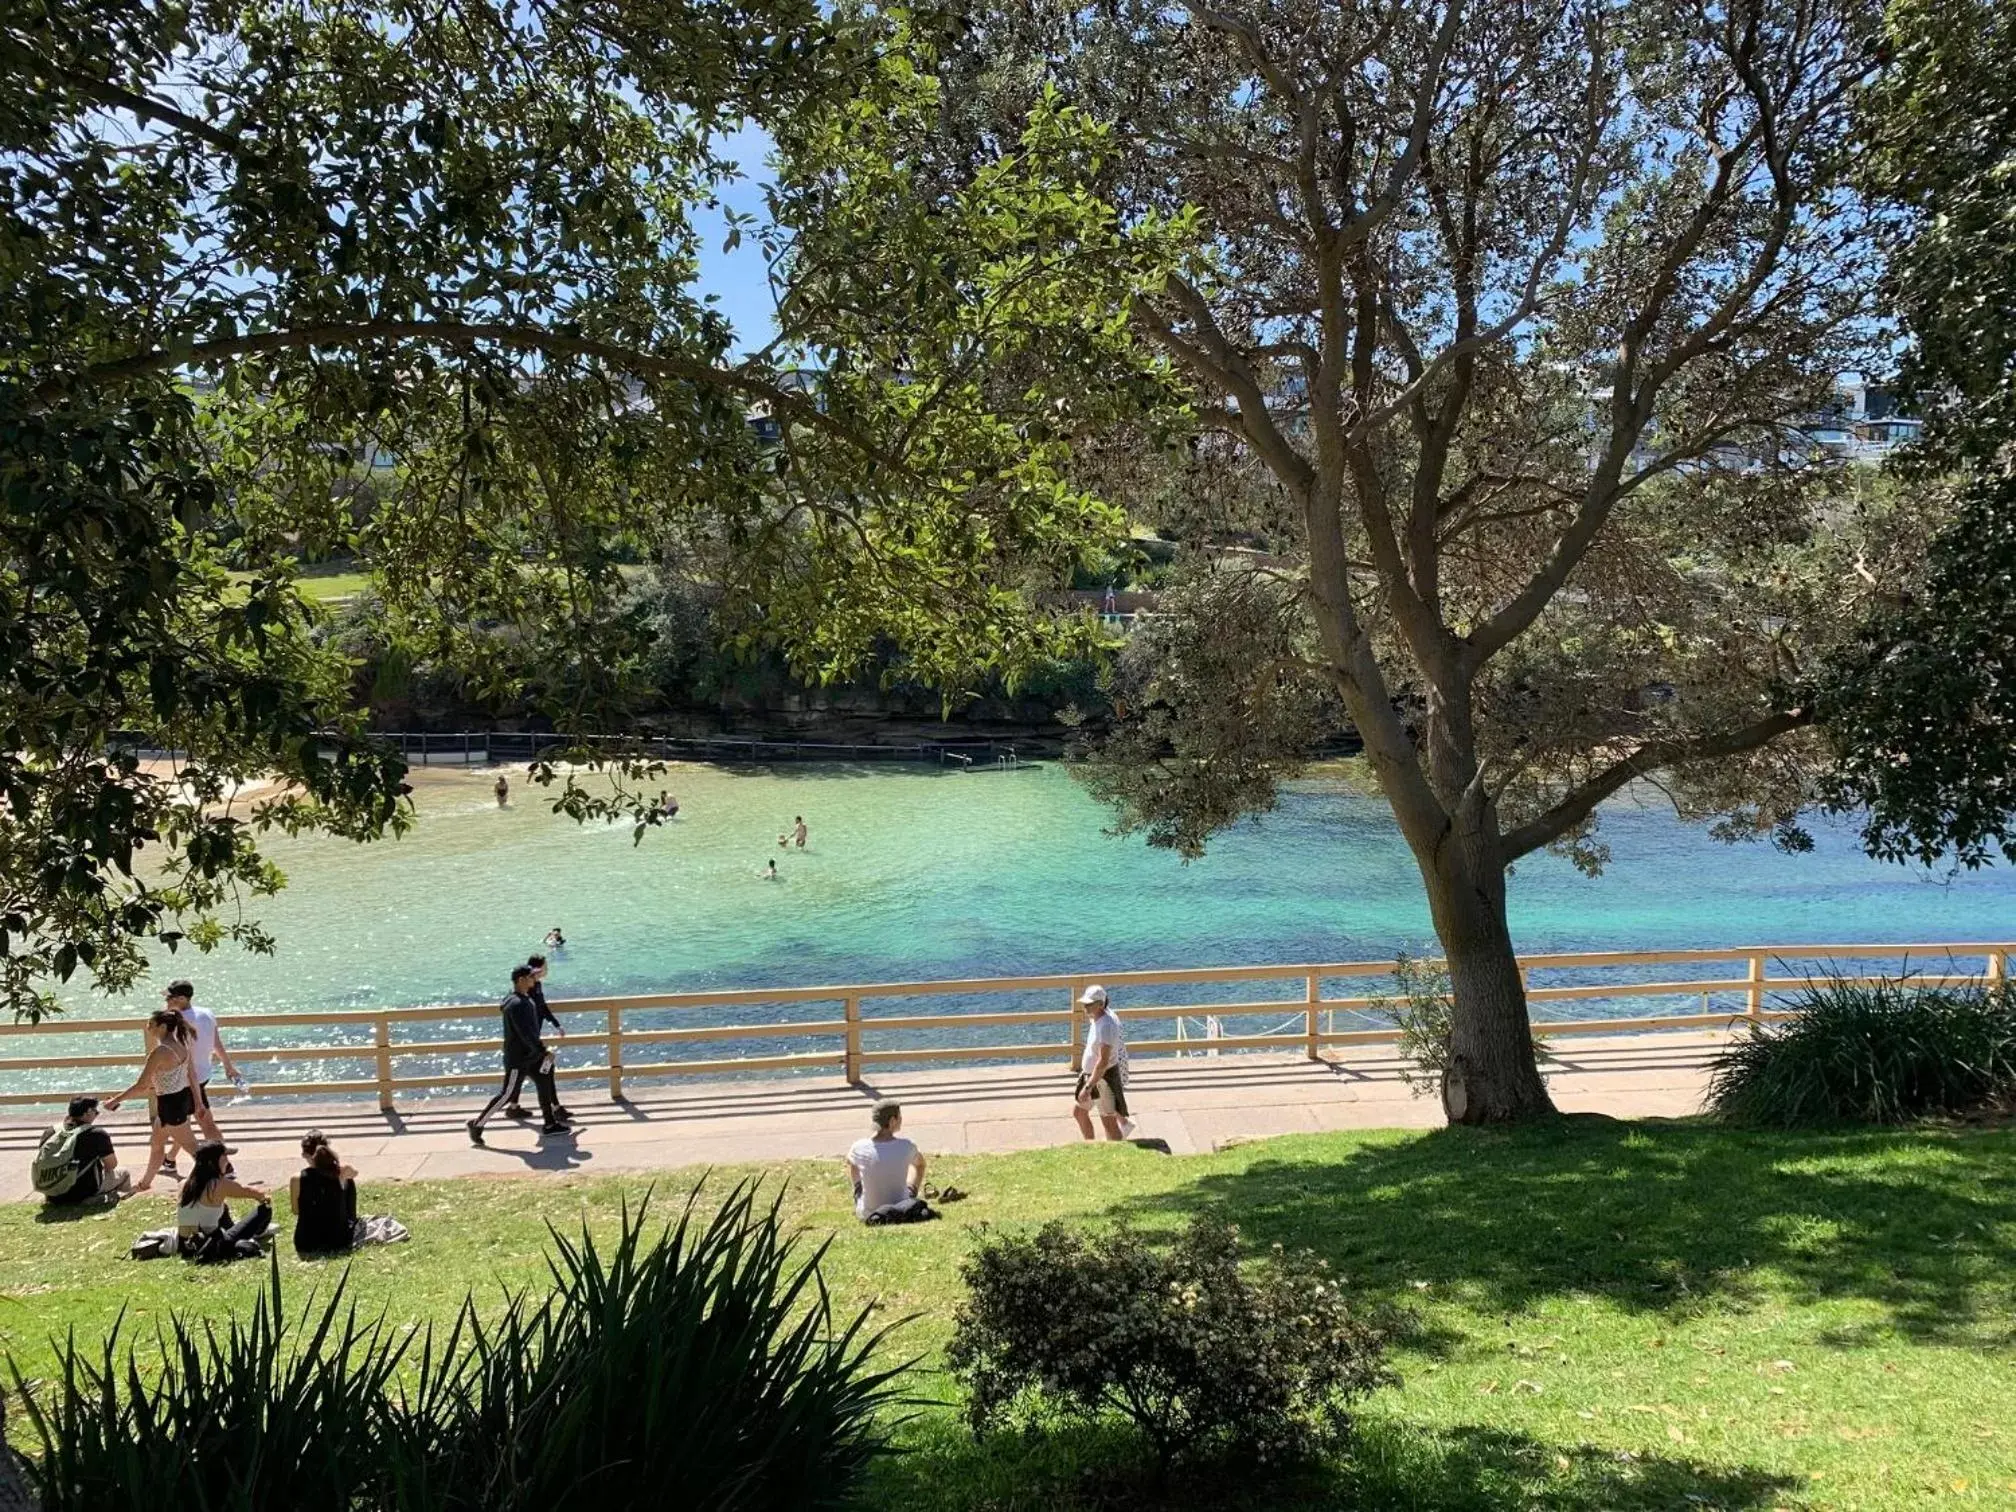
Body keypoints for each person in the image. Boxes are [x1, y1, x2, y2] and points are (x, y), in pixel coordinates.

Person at [467, 964, 570, 1143]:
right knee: (507, 1094)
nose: (534, 979)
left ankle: (550, 1123)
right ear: (521, 980)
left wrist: (540, 1053)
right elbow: (526, 1033)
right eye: (530, 977)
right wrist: (543, 1051)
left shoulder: (519, 998)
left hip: (532, 1056)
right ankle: (477, 1124)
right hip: (519, 1059)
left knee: (545, 1081)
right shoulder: (517, 1004)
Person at [105, 1008, 202, 1191]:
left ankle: (218, 1181)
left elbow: (141, 1085)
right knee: (157, 1145)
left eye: (151, 1023)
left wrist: (115, 1101)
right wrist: (198, 1103)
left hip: (171, 1106)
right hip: (176, 1101)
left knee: (196, 1151)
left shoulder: (160, 1052)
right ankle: (145, 1184)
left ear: (163, 1026)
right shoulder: (182, 1045)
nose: (148, 1026)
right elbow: (185, 1076)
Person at [290, 1131, 410, 1255]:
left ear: (304, 1154)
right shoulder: (343, 1172)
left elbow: (296, 1210)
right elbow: (354, 1173)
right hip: (338, 1241)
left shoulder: (296, 1179)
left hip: (305, 1242)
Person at [164, 980, 246, 1145]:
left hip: (187, 1080)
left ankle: (223, 1160)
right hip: (203, 1074)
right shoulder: (207, 1013)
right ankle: (171, 1158)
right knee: (184, 1120)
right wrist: (228, 1066)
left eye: (169, 998)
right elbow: (216, 1042)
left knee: (203, 1122)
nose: (166, 1002)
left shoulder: (175, 1021)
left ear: (181, 999)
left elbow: (176, 1054)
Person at [176, 1140, 272, 1262]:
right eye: (225, 1156)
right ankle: (258, 1233)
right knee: (265, 1208)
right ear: (215, 1161)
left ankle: (236, 1231)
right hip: (214, 1244)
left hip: (186, 1246)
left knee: (222, 1207)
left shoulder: (183, 1184)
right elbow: (254, 1193)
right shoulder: (220, 1184)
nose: (228, 1160)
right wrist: (263, 1198)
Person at [505, 954, 572, 1121]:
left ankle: (516, 1107)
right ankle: (554, 1110)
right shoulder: (526, 992)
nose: (546, 970)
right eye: (545, 967)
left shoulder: (536, 986)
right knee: (544, 1072)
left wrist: (556, 1024)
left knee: (538, 1073)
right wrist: (541, 1048)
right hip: (531, 1044)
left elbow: (542, 1008)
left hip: (533, 1041)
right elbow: (534, 1011)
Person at [844, 1101, 933, 1224]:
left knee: (855, 1165)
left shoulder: (858, 1147)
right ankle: (910, 1192)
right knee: (917, 1166)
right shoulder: (906, 1146)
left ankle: (859, 1193)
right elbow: (920, 1164)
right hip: (902, 1209)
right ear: (892, 1121)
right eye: (899, 1117)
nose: (901, 1120)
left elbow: (850, 1163)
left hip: (867, 1214)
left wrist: (858, 1186)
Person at [33, 1096, 129, 1207]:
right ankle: (121, 1199)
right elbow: (111, 1165)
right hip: (83, 1192)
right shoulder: (97, 1134)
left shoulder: (51, 1131)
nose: (97, 1114)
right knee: (124, 1173)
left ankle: (55, 1200)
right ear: (88, 1112)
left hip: (52, 1192)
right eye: (95, 1111)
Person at [1072, 984, 1135, 1142]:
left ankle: (1116, 1154)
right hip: (1092, 1076)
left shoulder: (1106, 1025)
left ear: (1100, 1004)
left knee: (1109, 1124)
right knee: (1079, 1113)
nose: (1085, 1006)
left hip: (1102, 1080)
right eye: (1085, 1003)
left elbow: (1103, 1061)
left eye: (1089, 1004)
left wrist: (1088, 1087)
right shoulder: (1097, 1019)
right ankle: (1091, 1146)